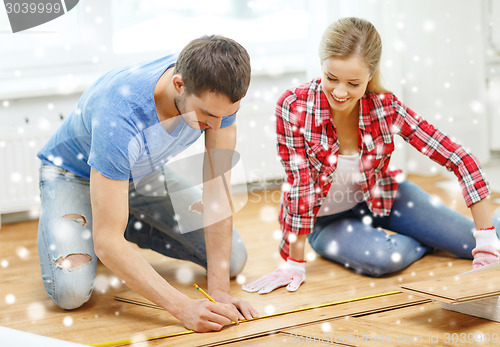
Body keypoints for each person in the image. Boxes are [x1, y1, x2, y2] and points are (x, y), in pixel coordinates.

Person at [242, 17, 500, 295]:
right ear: (322, 65)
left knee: (487, 242)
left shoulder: (386, 108)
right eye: (331, 78)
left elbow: (457, 156)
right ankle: (428, 237)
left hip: (384, 196)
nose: (340, 92)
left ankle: (470, 230)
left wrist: (485, 241)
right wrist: (294, 262)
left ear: (370, 75)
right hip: (327, 219)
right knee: (383, 259)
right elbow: (300, 184)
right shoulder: (293, 105)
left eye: (353, 83)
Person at [37, 35, 259, 331]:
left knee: (231, 261)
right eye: (207, 115)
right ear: (179, 85)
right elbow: (108, 242)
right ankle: (99, 221)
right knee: (71, 292)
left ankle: (115, 220)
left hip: (140, 174)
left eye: (228, 115)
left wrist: (218, 292)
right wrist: (183, 308)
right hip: (71, 175)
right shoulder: (119, 114)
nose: (217, 126)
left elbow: (217, 192)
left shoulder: (217, 99)